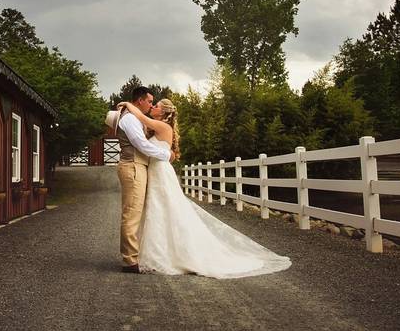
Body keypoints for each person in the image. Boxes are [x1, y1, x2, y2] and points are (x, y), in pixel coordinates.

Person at [117, 98, 291, 278]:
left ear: (164, 113)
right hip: (155, 171)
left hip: (160, 171)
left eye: (157, 105)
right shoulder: (158, 127)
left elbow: (140, 117)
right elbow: (167, 151)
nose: (153, 107)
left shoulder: (163, 127)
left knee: (168, 210)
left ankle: (180, 254)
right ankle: (160, 252)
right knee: (160, 211)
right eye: (153, 104)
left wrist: (128, 105)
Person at [108, 87, 173, 273]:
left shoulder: (134, 117)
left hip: (138, 167)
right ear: (140, 101)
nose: (151, 104)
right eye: (150, 101)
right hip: (133, 166)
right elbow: (141, 145)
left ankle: (134, 256)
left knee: (137, 212)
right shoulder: (129, 118)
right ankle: (129, 261)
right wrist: (165, 154)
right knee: (132, 213)